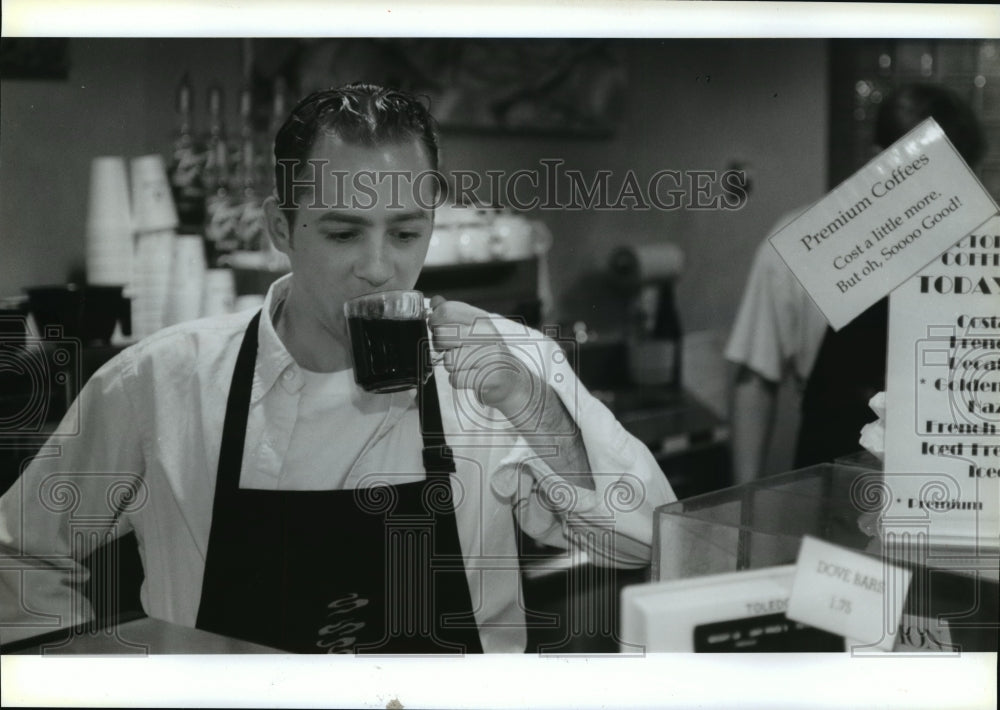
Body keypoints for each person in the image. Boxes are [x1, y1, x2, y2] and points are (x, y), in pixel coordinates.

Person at [0, 83, 676, 654]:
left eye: (407, 233)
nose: (378, 267)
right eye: (343, 232)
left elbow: (645, 541)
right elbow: (18, 550)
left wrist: (537, 411)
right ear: (279, 228)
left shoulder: (509, 368)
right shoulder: (163, 381)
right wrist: (101, 671)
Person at [726, 83, 987, 481]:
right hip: (825, 484)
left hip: (944, 485)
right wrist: (743, 503)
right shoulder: (802, 245)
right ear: (880, 160)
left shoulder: (974, 257)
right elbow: (755, 378)